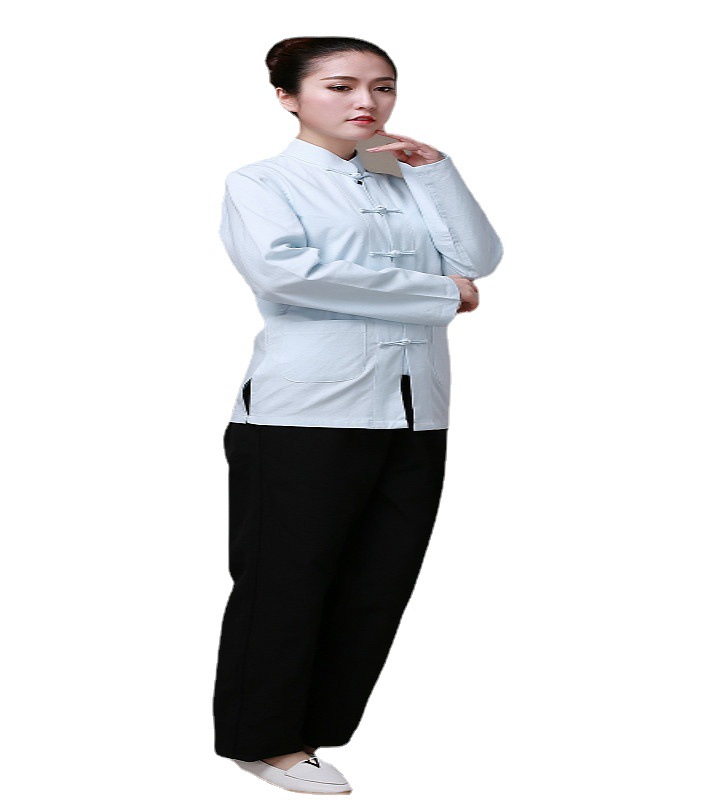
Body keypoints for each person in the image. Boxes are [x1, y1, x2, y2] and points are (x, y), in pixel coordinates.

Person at [213, 36, 503, 794]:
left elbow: (479, 258)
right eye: (340, 86)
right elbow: (288, 275)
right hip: (304, 415)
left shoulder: (404, 178)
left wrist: (438, 173)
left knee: (377, 582)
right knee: (285, 582)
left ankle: (310, 732)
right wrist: (438, 294)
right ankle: (261, 740)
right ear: (288, 96)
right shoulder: (261, 182)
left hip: (414, 412)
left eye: (382, 86)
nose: (366, 102)